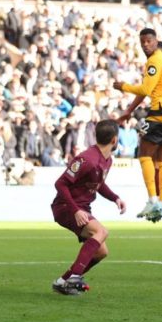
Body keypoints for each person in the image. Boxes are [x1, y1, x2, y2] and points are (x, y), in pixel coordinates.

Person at [113, 29, 162, 222]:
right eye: (143, 42)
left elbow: (146, 89)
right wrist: (129, 110)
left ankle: (153, 200)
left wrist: (124, 87)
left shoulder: (153, 61)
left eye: (149, 41)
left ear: (156, 41)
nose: (146, 45)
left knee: (144, 154)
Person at [51, 120, 126, 295]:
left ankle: (62, 282)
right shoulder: (86, 159)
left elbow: (98, 184)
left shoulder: (107, 160)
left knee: (101, 252)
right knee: (101, 232)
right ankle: (75, 277)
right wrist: (75, 210)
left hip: (82, 208)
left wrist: (115, 198)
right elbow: (60, 184)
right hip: (66, 206)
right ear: (115, 140)